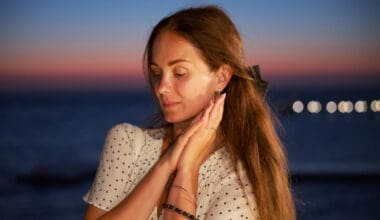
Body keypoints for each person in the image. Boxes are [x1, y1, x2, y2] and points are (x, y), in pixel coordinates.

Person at [83, 5, 295, 220]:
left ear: (221, 77)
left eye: (180, 73)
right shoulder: (127, 142)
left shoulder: (241, 179)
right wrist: (165, 165)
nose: (161, 87)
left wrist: (188, 170)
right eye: (157, 73)